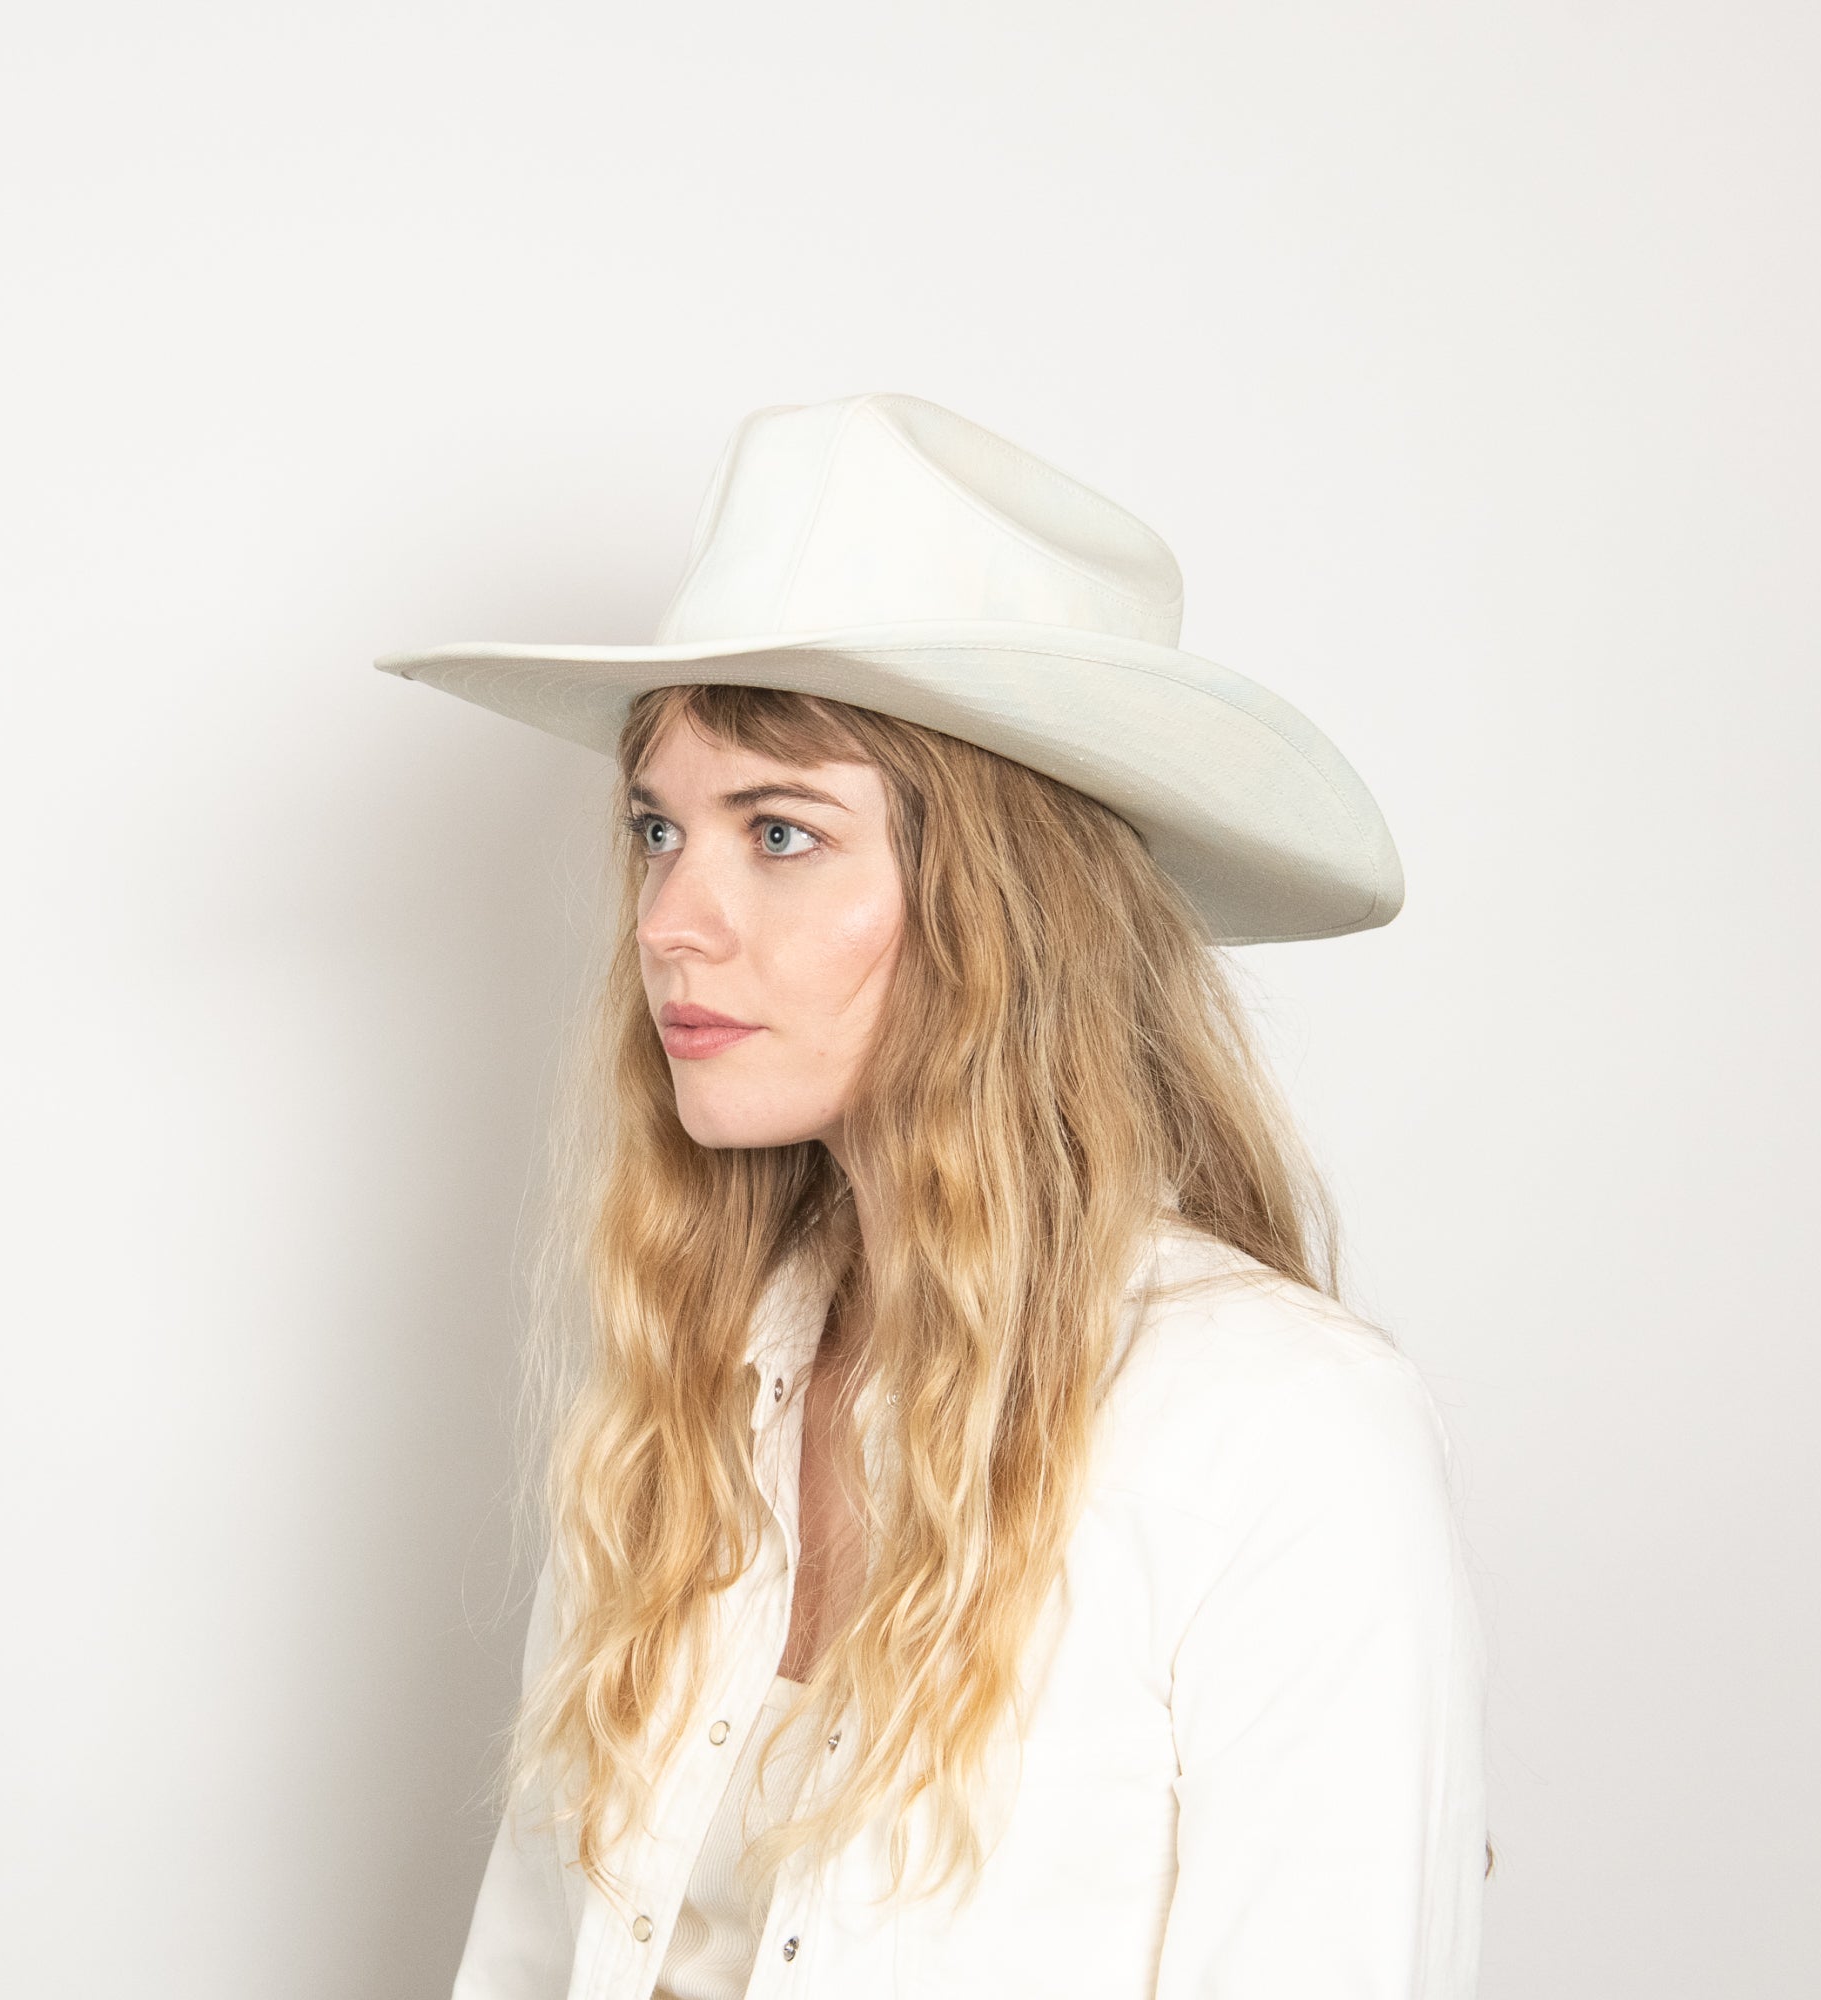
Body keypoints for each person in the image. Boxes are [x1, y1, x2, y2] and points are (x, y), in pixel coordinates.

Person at [375, 391, 1492, 1999]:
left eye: (778, 830)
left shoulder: (1278, 1428)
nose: (670, 921)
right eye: (655, 827)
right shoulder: (683, 1409)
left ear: (1005, 910)